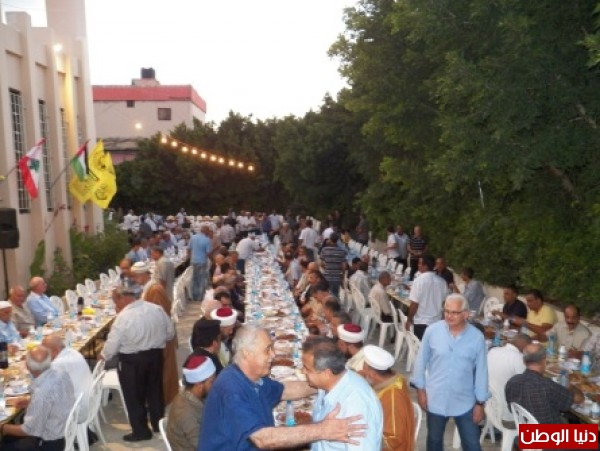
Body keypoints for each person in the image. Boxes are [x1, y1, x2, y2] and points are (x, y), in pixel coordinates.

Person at [199, 325, 367, 450]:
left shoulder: (252, 378)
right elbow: (263, 439)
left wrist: (325, 381)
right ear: (246, 354)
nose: (273, 355)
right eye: (267, 350)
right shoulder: (231, 389)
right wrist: (323, 430)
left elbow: (284, 390)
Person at [411, 294, 488, 451]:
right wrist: (420, 390)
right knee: (434, 441)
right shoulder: (432, 331)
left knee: (472, 444)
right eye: (446, 311)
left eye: (454, 312)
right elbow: (420, 362)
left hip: (465, 400)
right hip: (436, 397)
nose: (449, 316)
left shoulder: (477, 338)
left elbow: (482, 372)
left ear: (465, 314)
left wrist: (480, 403)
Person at [101, 284, 175, 441]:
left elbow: (112, 345)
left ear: (122, 298)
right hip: (155, 356)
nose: (115, 306)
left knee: (134, 396)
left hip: (132, 361)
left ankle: (141, 431)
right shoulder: (156, 309)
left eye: (115, 301)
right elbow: (170, 332)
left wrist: (104, 356)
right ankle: (158, 425)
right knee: (155, 392)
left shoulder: (123, 318)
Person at [304, 336, 383, 450]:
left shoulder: (355, 405)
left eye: (307, 369)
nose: (303, 372)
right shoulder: (332, 382)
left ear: (326, 373)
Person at [0, 346, 75, 451]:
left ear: (28, 366)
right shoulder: (60, 371)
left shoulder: (42, 392)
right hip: (64, 428)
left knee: (5, 442)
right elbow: (51, 400)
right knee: (9, 435)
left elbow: (28, 430)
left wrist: (3, 428)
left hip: (50, 443)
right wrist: (30, 402)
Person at [505, 343, 584, 424]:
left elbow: (511, 409)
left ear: (524, 362)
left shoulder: (512, 382)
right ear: (544, 360)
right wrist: (571, 386)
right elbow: (579, 399)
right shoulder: (547, 386)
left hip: (525, 429)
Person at [362, 345, 415, 451]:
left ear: (372, 374)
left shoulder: (393, 398)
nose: (362, 372)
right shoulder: (395, 379)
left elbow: (393, 439)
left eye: (365, 370)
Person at [166, 355, 217, 451]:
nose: (215, 384)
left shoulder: (192, 396)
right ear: (199, 384)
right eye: (211, 381)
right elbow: (204, 447)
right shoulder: (186, 414)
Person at [42, 333, 93, 422]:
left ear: (55, 350)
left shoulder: (58, 364)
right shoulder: (73, 352)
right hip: (90, 401)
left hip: (77, 412)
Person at [487, 334, 531, 425]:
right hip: (509, 417)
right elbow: (528, 383)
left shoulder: (493, 351)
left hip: (490, 407)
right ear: (525, 346)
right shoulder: (518, 357)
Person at [405, 255, 448, 340]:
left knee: (421, 345)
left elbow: (414, 304)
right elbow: (444, 304)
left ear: (425, 266)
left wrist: (409, 319)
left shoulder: (418, 281)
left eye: (420, 263)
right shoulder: (442, 282)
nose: (418, 265)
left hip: (421, 322)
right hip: (436, 322)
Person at [188, 225, 213, 302]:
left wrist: (190, 258)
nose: (209, 232)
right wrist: (213, 260)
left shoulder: (193, 237)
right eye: (208, 230)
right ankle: (200, 297)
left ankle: (194, 296)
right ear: (206, 231)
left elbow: (189, 249)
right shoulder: (207, 240)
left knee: (194, 279)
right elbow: (208, 253)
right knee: (201, 279)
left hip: (193, 261)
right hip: (202, 261)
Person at [319, 233, 346, 297]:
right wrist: (342, 277)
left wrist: (326, 268)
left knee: (327, 295)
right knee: (336, 294)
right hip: (337, 277)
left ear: (330, 239)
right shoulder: (341, 251)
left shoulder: (324, 250)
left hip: (327, 277)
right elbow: (343, 266)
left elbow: (321, 263)